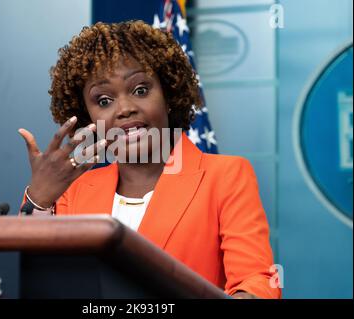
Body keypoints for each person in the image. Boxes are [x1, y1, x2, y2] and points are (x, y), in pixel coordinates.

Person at [18, 20, 281, 299]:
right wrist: (39, 200)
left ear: (168, 94)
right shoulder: (73, 192)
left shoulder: (226, 175)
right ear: (88, 117)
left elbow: (256, 280)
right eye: (104, 100)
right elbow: (42, 286)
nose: (126, 109)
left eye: (140, 90)